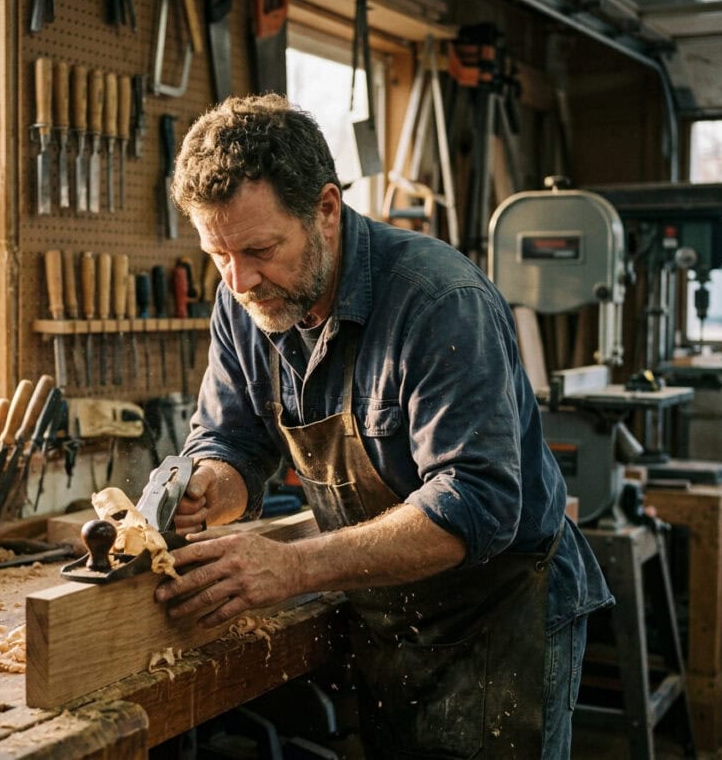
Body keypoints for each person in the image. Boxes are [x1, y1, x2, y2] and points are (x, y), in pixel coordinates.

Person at [154, 94, 613, 759]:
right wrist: (208, 485)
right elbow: (231, 439)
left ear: (327, 212)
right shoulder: (244, 299)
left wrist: (289, 566)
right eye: (217, 253)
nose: (240, 279)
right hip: (389, 611)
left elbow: (476, 504)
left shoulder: (439, 301)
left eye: (259, 249)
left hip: (495, 613)